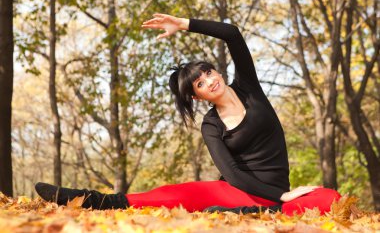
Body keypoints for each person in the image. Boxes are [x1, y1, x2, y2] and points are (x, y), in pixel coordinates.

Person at [35, 14, 341, 215]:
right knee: (170, 194)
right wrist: (283, 197)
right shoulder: (211, 125)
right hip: (239, 192)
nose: (210, 80)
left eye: (208, 72)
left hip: (278, 197)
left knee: (329, 199)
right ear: (196, 95)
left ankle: (259, 213)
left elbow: (233, 34)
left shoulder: (249, 87)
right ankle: (90, 199)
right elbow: (233, 175)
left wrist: (183, 23)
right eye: (200, 83)